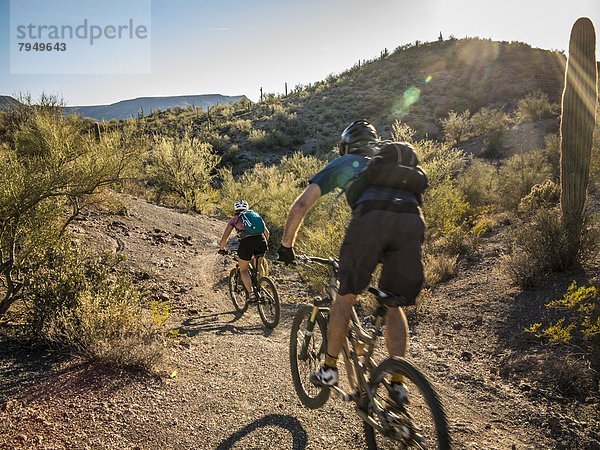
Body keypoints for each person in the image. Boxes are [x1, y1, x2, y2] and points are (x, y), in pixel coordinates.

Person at [278, 120, 425, 401]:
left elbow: (300, 205)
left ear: (346, 145)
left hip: (371, 221)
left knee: (345, 296)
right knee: (393, 303)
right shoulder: (396, 166)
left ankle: (329, 369)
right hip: (412, 221)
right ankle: (397, 382)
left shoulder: (345, 162)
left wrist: (287, 245)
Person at [219, 200, 270, 302]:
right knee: (258, 265)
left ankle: (251, 294)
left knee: (243, 270)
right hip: (261, 240)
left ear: (235, 209)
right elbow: (267, 233)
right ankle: (262, 289)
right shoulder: (255, 216)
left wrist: (222, 249)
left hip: (246, 243)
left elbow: (224, 238)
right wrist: (263, 244)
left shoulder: (234, 220)